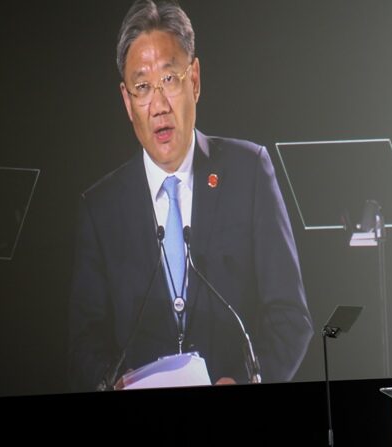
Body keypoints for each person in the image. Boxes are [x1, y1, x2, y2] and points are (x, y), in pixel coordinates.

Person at [68, 0, 313, 391]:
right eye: (143, 87)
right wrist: (112, 383)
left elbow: (290, 317)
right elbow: (85, 338)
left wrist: (251, 380)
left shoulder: (248, 171)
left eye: (170, 79)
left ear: (194, 80)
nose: (159, 105)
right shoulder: (101, 208)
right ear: (127, 101)